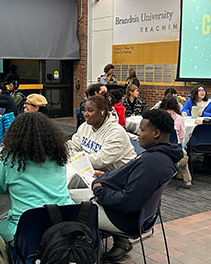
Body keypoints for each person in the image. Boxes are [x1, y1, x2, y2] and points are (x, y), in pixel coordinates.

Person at [69, 110, 181, 261]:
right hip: (142, 214)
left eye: (142, 130)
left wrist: (100, 190)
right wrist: (108, 177)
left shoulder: (151, 163)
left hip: (124, 219)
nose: (138, 134)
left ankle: (79, 253)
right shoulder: (163, 156)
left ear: (156, 134)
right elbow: (134, 182)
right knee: (77, 189)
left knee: (67, 200)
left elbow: (127, 202)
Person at [0, 112, 73, 242]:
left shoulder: (9, 159)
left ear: (15, 134)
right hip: (62, 223)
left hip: (25, 230)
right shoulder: (58, 156)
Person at [67, 93, 136, 171]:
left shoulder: (116, 132)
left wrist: (75, 158)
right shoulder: (85, 126)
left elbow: (101, 160)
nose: (85, 114)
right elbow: (73, 146)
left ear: (102, 111)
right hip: (95, 170)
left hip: (122, 174)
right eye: (84, 110)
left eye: (90, 110)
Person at [158, 95, 192, 187]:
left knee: (183, 152)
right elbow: (181, 136)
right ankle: (186, 179)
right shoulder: (179, 118)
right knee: (184, 150)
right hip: (173, 147)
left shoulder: (157, 116)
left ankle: (185, 177)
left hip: (158, 145)